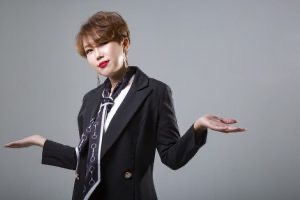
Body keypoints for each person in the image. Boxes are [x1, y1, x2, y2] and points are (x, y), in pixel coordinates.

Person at [4, 11, 246, 200]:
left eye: (102, 43)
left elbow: (172, 158)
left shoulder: (154, 92)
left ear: (125, 43)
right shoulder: (90, 100)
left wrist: (198, 127)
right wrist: (40, 142)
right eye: (89, 50)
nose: (97, 55)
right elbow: (90, 161)